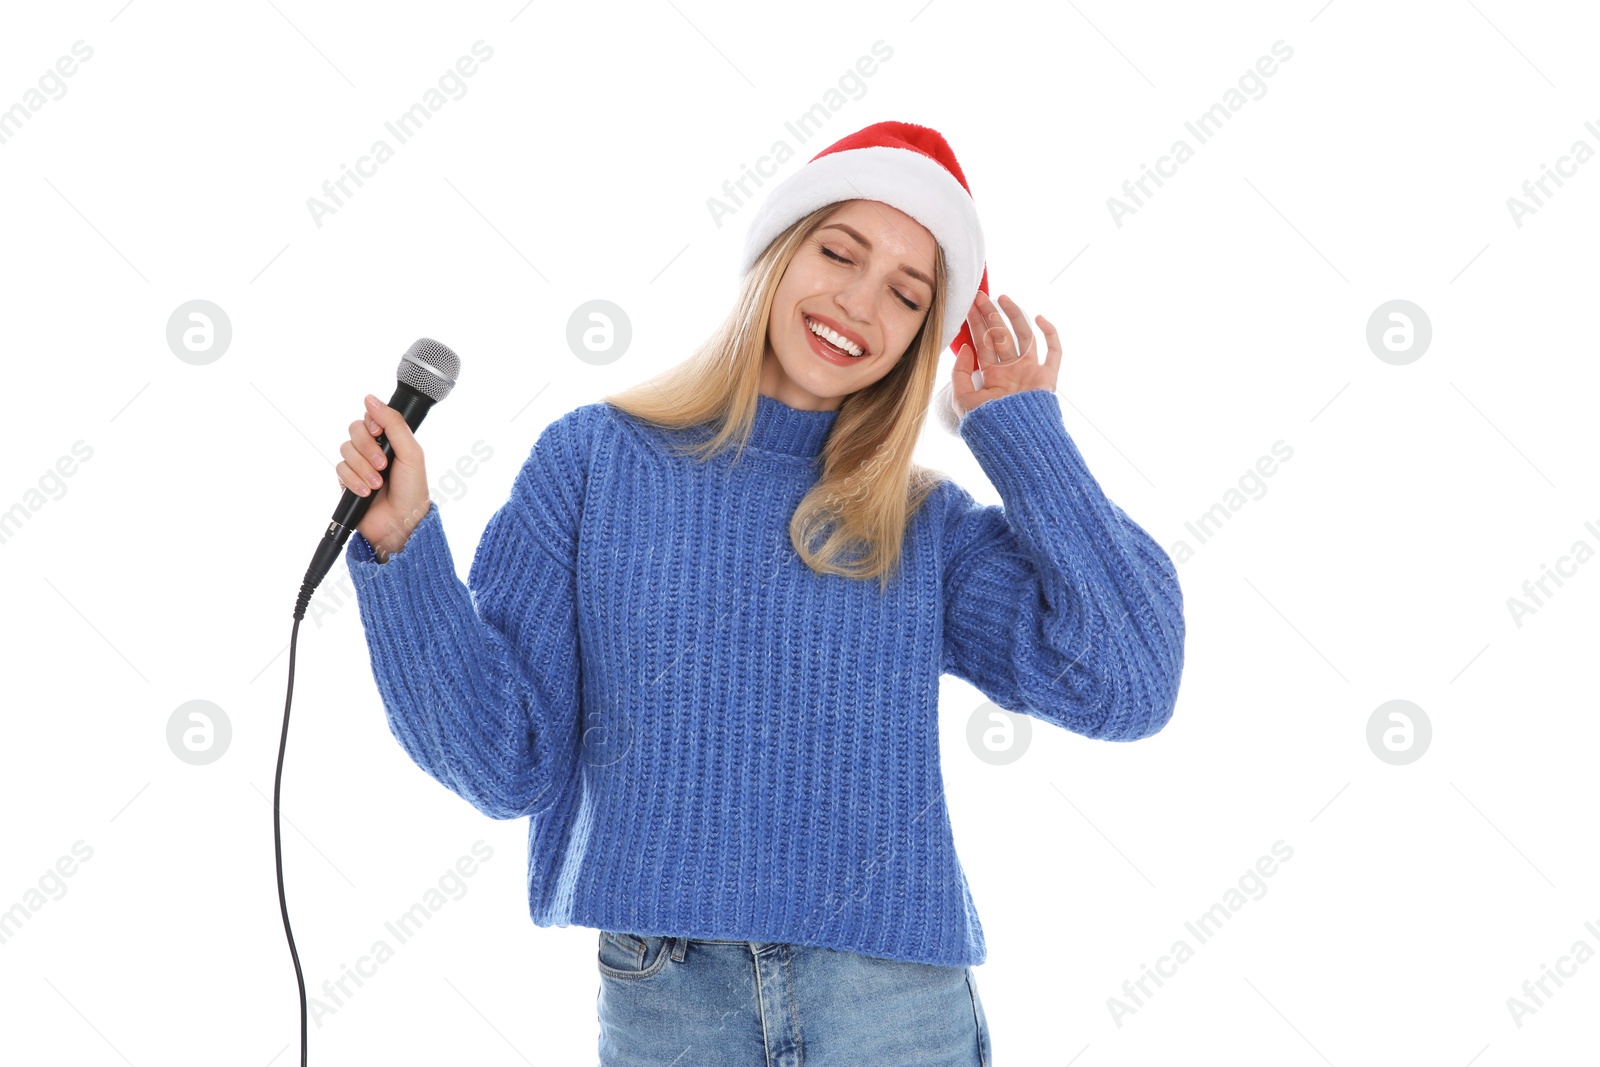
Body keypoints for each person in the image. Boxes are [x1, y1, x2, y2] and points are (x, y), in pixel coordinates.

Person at [332, 121, 1185, 1066]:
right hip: (671, 1007)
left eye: (907, 295)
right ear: (779, 254)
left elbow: (1130, 683)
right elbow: (507, 762)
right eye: (838, 252)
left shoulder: (917, 521)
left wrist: (1023, 430)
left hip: (893, 1006)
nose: (860, 305)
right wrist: (401, 546)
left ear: (920, 338)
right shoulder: (595, 459)